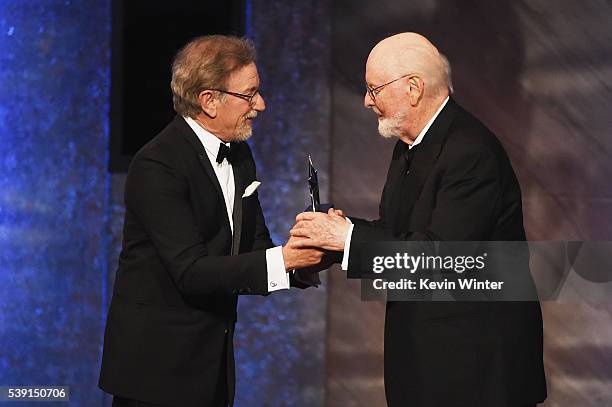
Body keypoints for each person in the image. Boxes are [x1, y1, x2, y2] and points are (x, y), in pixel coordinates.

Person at [291, 32, 547, 406]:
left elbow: (440, 257)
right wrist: (340, 235)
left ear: (412, 88)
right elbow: (401, 232)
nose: (366, 101)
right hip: (430, 361)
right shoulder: (411, 146)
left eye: (373, 89)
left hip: (475, 371)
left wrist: (347, 239)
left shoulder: (470, 152)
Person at [99, 35, 323, 407]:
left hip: (212, 367)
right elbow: (190, 271)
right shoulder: (158, 164)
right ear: (209, 101)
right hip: (155, 374)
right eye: (249, 95)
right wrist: (284, 259)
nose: (261, 105)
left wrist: (311, 251)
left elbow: (253, 248)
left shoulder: (240, 154)